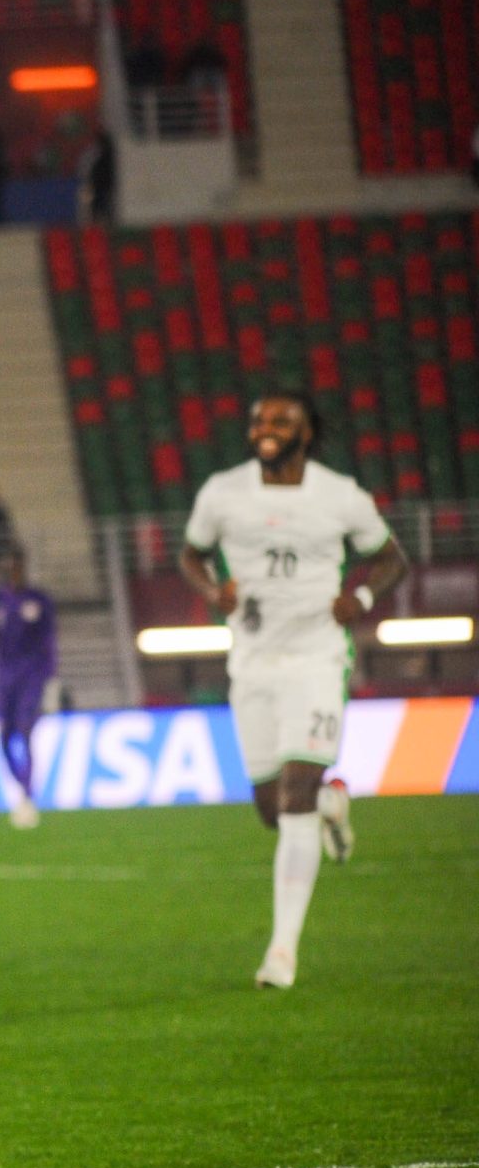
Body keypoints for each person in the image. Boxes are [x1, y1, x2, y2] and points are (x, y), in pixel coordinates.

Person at [177, 391, 407, 989]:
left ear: (307, 432)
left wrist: (357, 598)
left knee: (294, 793)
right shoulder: (223, 492)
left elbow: (390, 560)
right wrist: (210, 591)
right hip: (251, 662)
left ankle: (282, 952)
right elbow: (191, 554)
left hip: (316, 657)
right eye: (258, 420)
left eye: (280, 420)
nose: (266, 429)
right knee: (270, 809)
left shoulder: (340, 495)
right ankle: (332, 804)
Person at [0, 548, 56, 828]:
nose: (14, 571)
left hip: (31, 674)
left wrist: (51, 677)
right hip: (4, 675)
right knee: (4, 736)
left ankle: (26, 795)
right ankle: (22, 784)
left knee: (26, 730)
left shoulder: (39, 601)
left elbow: (48, 640)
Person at [83, 126, 118, 224]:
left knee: (103, 205)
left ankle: (107, 222)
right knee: (97, 206)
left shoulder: (106, 155)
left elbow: (105, 171)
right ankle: (97, 222)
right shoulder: (100, 155)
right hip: (99, 185)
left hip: (103, 185)